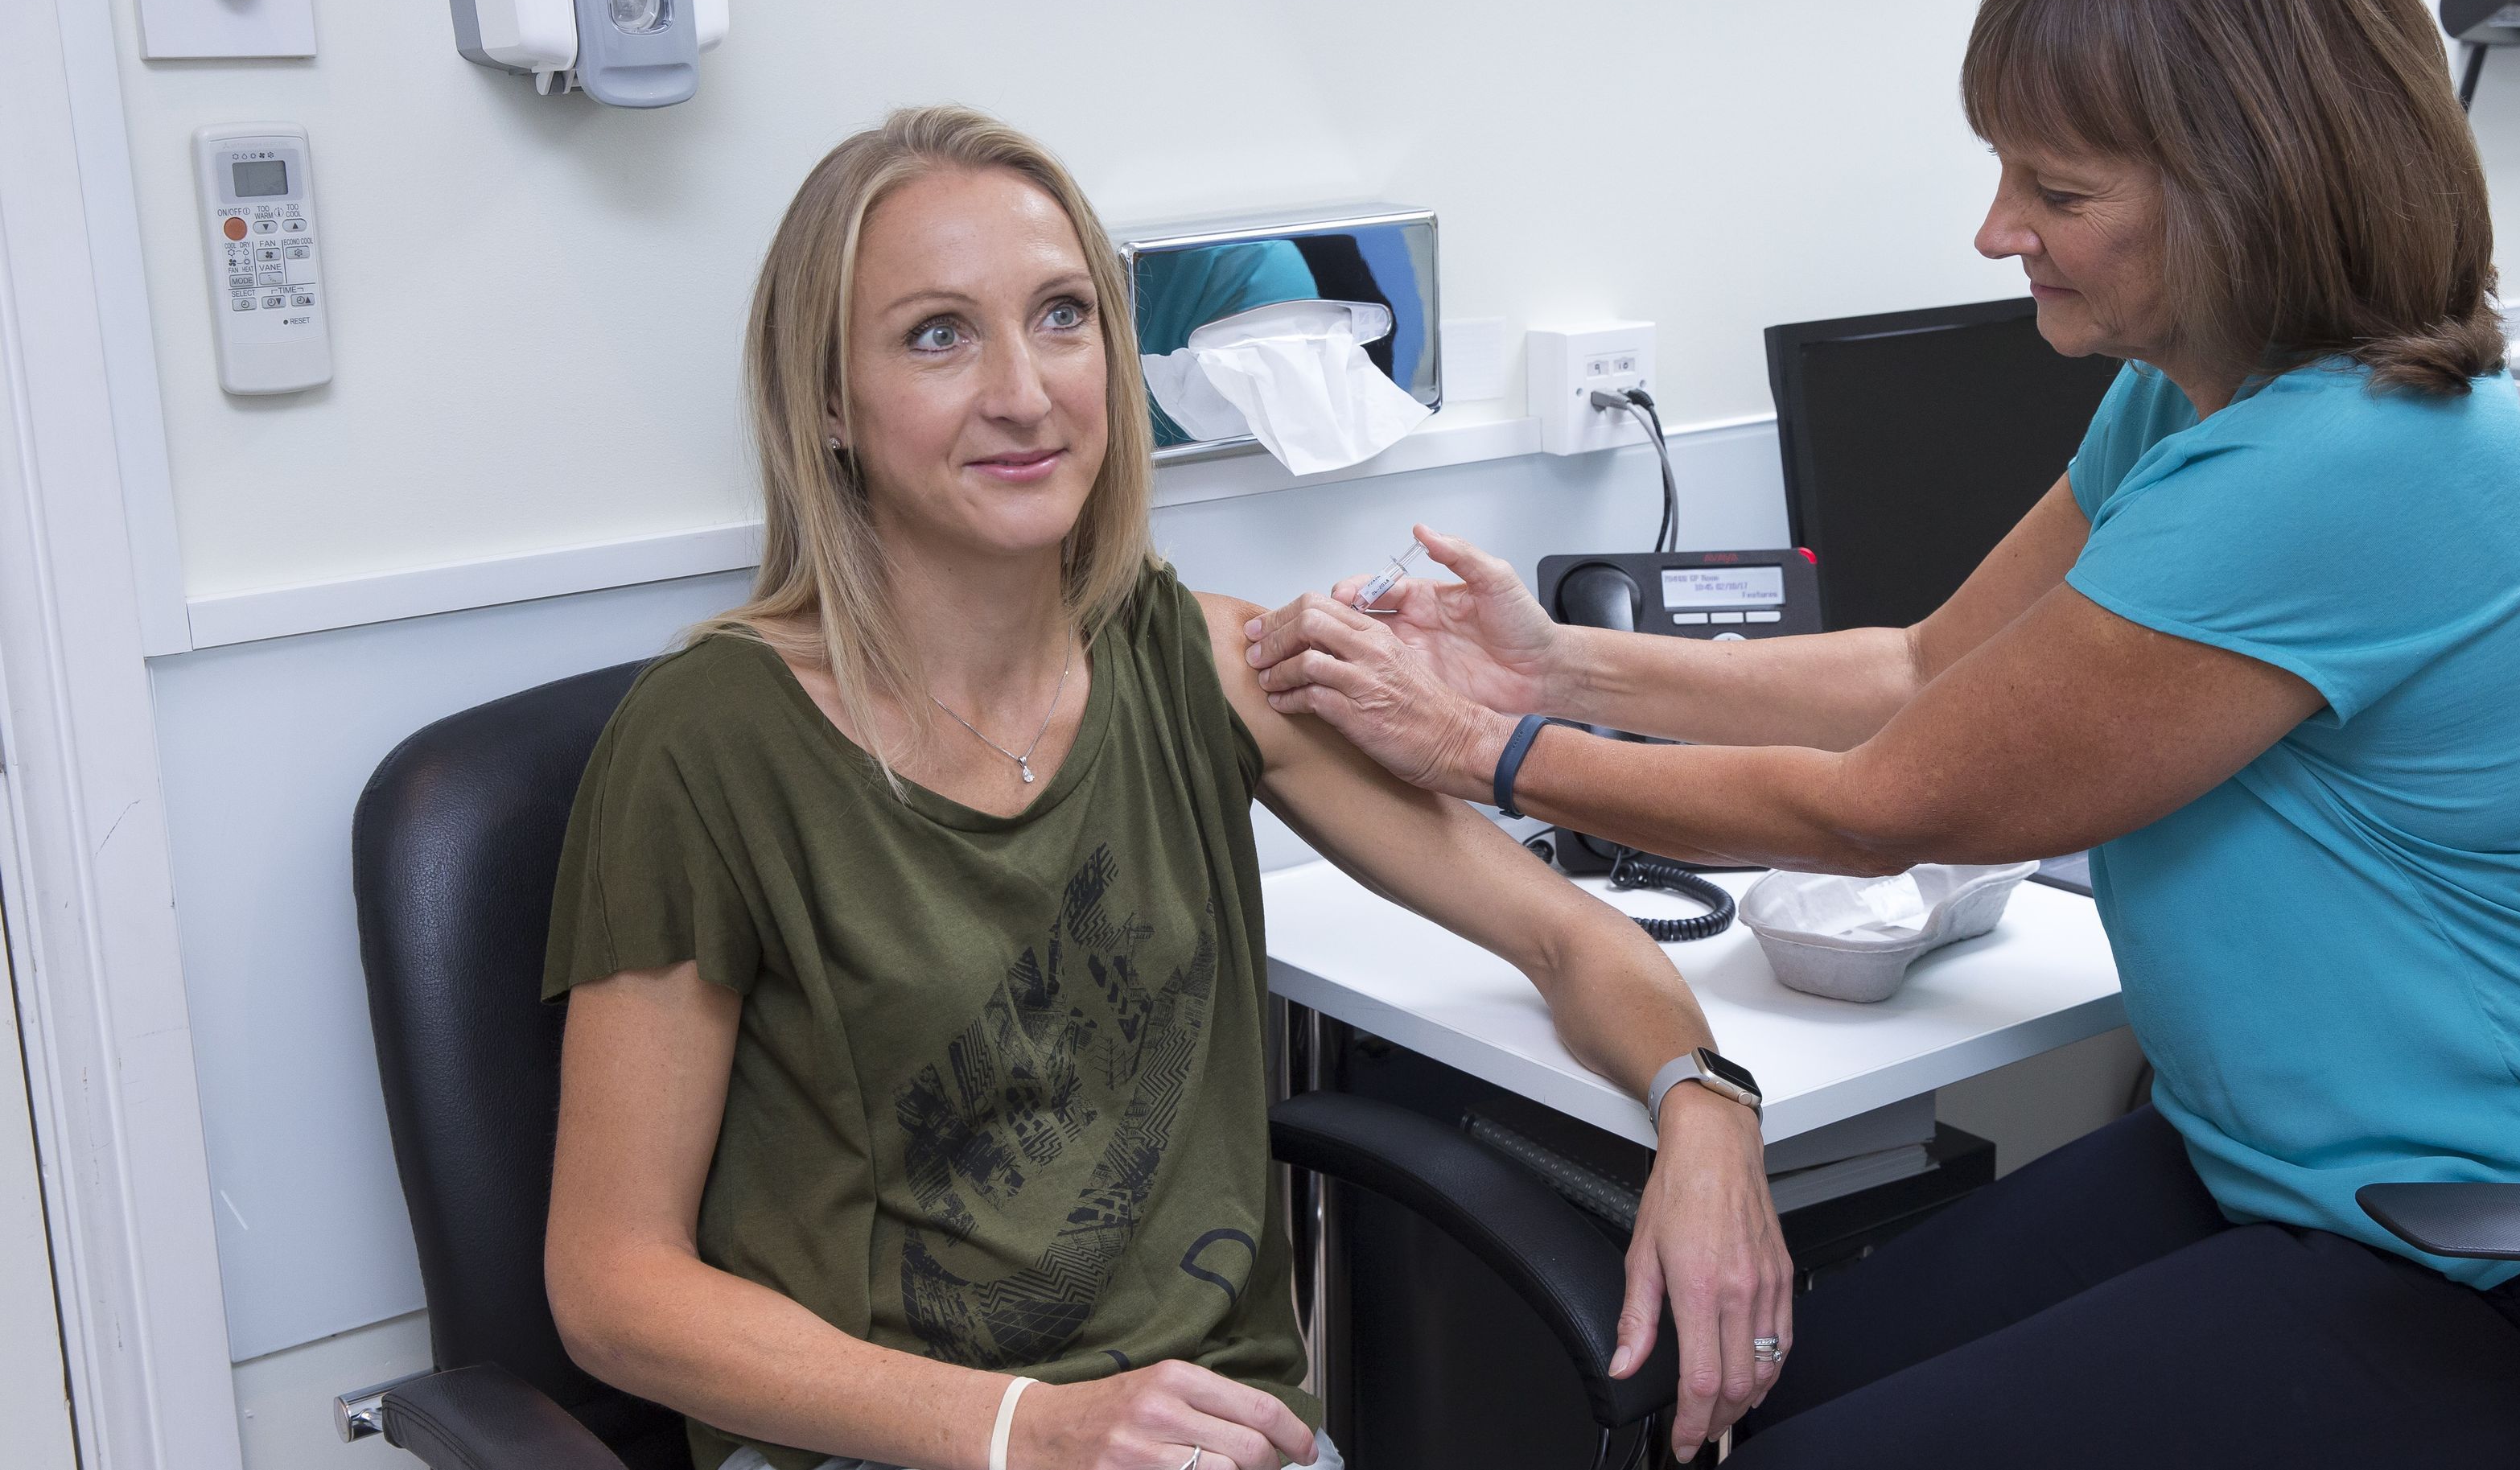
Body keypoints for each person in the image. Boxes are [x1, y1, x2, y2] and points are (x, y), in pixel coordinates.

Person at [1239, 0, 2520, 1463]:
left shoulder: (2349, 462)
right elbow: (1921, 666)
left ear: (2244, 191)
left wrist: (1492, 753)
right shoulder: (2188, 394)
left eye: (2052, 187)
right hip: (2303, 1173)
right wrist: (1557, 662)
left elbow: (1882, 805)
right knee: (1762, 1403)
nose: (1996, 230)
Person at [536, 105, 1789, 1470]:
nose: (1026, 389)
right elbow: (611, 1287)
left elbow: (1562, 930)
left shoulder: (1194, 658)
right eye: (939, 334)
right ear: (828, 401)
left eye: (1063, 316)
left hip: (1221, 1441)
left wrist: (1704, 1103)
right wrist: (1029, 1427)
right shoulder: (707, 742)